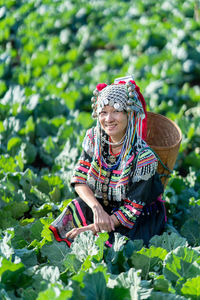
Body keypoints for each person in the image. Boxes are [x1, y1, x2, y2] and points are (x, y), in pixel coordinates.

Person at [49, 77, 166, 247]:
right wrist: (96, 209)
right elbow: (80, 180)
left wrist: (92, 228)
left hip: (136, 216)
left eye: (116, 110)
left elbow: (131, 210)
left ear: (129, 113)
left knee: (113, 245)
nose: (108, 119)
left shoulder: (143, 157)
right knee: (77, 206)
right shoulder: (93, 138)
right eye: (103, 112)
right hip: (103, 204)